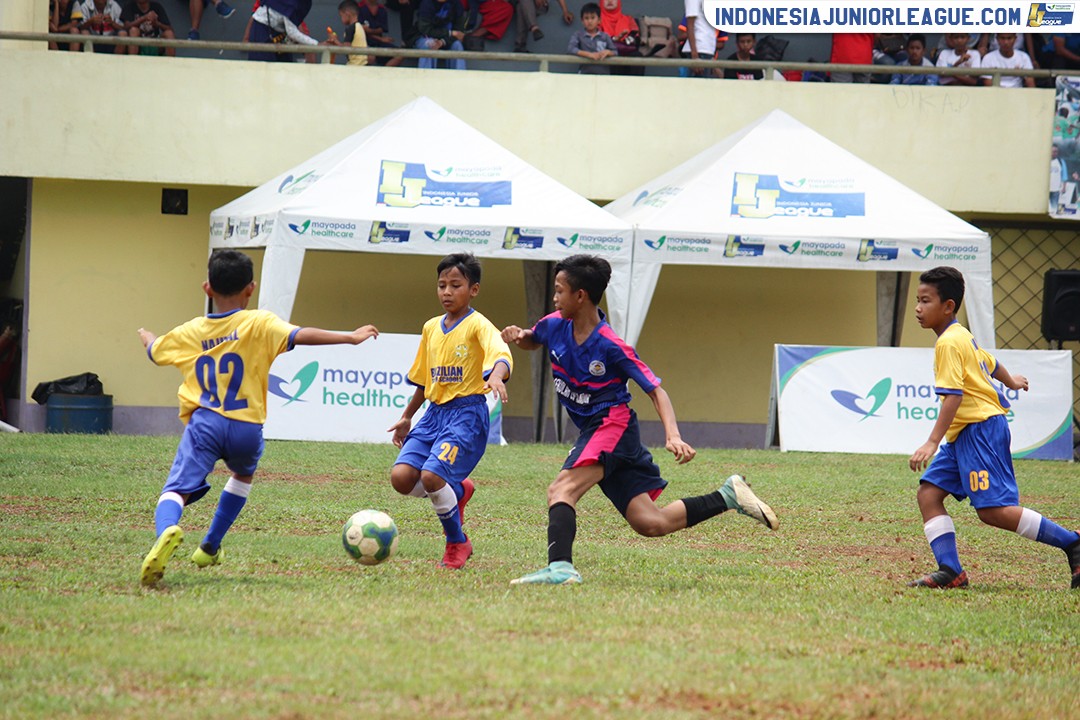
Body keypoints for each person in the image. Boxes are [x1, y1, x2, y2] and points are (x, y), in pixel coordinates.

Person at [500, 255, 777, 586]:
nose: (555, 298)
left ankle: (560, 568)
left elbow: (656, 391)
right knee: (650, 523)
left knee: (561, 489)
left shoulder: (611, 345)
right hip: (604, 433)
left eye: (559, 291)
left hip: (611, 426)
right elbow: (536, 338)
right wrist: (521, 337)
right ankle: (728, 495)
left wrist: (673, 435)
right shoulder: (554, 324)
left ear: (581, 296)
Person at [137, 249, 378, 587]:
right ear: (251, 288)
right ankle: (210, 545)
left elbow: (155, 351)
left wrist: (147, 337)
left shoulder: (192, 330)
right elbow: (300, 334)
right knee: (242, 475)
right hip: (247, 427)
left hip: (205, 423)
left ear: (207, 288)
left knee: (177, 488)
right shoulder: (260, 322)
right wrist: (349, 337)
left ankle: (167, 532)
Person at [907, 266, 1080, 590]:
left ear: (948, 306)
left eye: (925, 300)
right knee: (929, 494)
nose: (918, 308)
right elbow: (987, 360)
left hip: (980, 430)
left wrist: (932, 442)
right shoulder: (960, 336)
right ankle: (951, 571)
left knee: (993, 511)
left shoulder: (948, 343)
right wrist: (1010, 379)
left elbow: (953, 398)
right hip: (965, 435)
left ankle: (1072, 543)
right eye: (917, 300)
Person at [388, 253, 512, 570]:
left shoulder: (478, 324)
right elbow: (422, 380)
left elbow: (500, 353)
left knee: (431, 476)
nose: (446, 291)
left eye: (455, 285)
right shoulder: (431, 328)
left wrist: (497, 375)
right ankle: (457, 490)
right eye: (441, 285)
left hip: (466, 415)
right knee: (401, 478)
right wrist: (407, 417)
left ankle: (457, 542)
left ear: (473, 290)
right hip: (433, 415)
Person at [247, 0, 320, 61]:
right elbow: (292, 32)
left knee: (286, 67)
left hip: (280, 34)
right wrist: (317, 45)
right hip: (262, 32)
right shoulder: (290, 2)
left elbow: (294, 24)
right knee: (264, 70)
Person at [414, 0, 467, 70]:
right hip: (425, 37)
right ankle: (426, 79)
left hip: (447, 39)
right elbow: (425, 30)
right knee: (430, 44)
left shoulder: (456, 3)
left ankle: (459, 79)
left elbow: (459, 33)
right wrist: (450, 33)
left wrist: (442, 42)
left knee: (457, 45)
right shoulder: (427, 3)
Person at [567, 2, 614, 74]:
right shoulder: (578, 35)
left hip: (604, 75)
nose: (589, 21)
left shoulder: (605, 36)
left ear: (599, 20)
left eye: (593, 17)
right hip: (584, 74)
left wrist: (608, 52)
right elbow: (571, 49)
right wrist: (589, 55)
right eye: (586, 18)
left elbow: (615, 52)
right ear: (582, 21)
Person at [599, 0, 640, 76]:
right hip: (606, 54)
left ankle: (636, 86)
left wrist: (627, 40)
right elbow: (596, 40)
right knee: (612, 57)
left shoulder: (629, 19)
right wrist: (615, 39)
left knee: (637, 56)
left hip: (627, 51)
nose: (610, 1)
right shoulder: (597, 21)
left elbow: (636, 38)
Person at [356, 0, 403, 65]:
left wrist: (370, 31)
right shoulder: (358, 8)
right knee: (370, 57)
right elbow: (360, 31)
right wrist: (380, 38)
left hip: (378, 44)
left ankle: (383, 73)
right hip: (362, 43)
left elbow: (381, 29)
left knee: (400, 54)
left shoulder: (382, 9)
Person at [680, 0, 718, 77]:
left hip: (707, 50)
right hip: (699, 50)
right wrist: (695, 57)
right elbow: (690, 25)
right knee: (695, 87)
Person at [328, 0, 370, 65]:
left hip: (355, 65)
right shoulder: (360, 26)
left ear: (347, 14)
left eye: (341, 15)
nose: (341, 19)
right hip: (363, 64)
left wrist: (335, 40)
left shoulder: (350, 29)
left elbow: (345, 49)